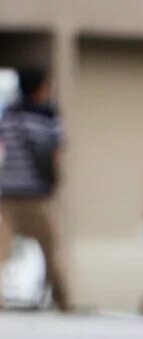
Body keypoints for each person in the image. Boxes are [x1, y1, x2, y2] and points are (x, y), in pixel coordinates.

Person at [0, 67, 70, 311]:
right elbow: (56, 155)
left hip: (7, 194)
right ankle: (64, 301)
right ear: (42, 88)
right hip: (36, 196)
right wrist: (54, 183)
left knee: (1, 251)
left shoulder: (9, 115)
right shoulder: (50, 118)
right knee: (52, 252)